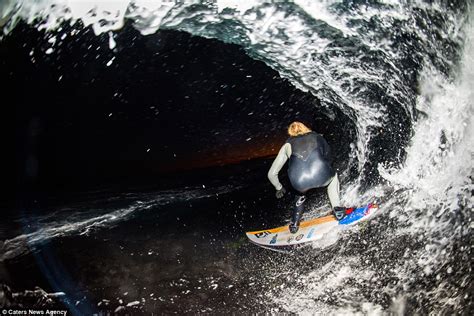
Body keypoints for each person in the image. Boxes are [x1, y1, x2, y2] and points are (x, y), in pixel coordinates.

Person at [267, 121, 345, 233]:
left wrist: (278, 188)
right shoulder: (317, 137)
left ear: (290, 132)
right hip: (321, 173)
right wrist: (324, 169)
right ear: (305, 128)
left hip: (300, 181)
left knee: (299, 194)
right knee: (333, 178)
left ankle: (294, 224)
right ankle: (337, 209)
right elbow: (329, 157)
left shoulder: (287, 145)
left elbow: (271, 174)